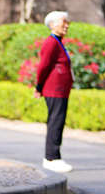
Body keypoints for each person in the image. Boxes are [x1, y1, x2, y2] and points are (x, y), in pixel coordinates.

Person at [34, 11, 74, 174]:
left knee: (58, 121)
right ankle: (51, 158)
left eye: (67, 22)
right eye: (63, 22)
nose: (66, 25)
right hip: (54, 89)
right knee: (55, 122)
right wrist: (39, 86)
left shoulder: (58, 42)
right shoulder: (51, 42)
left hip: (60, 90)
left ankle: (53, 156)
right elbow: (43, 66)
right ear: (52, 25)